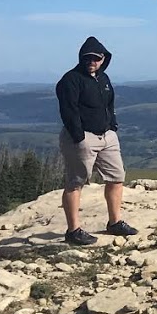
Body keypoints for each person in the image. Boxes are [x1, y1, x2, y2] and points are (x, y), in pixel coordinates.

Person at [55, 36, 137, 245]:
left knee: (117, 177)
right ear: (82, 58)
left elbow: (109, 104)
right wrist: (79, 136)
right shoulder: (70, 80)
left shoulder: (104, 78)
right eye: (88, 58)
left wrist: (113, 125)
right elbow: (68, 111)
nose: (92, 61)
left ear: (103, 58)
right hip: (83, 138)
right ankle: (73, 230)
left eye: (96, 58)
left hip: (107, 135)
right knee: (76, 182)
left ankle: (115, 222)